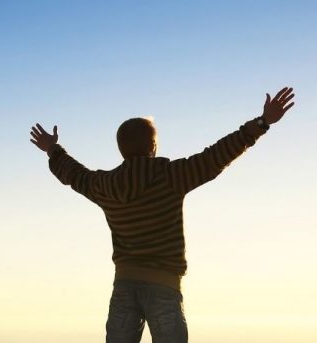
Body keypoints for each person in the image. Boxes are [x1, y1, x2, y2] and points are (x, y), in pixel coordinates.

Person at [29, 87, 296, 343]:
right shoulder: (171, 177)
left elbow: (73, 174)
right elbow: (217, 155)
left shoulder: (105, 186)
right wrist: (261, 123)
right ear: (153, 146)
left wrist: (52, 149)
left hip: (124, 286)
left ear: (121, 150)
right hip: (164, 287)